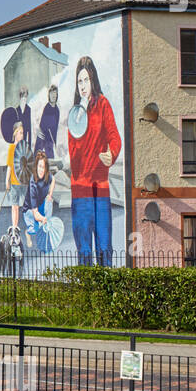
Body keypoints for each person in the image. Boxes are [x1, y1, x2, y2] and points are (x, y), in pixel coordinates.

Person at [66, 56, 121, 265]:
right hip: (80, 189)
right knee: (85, 249)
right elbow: (74, 157)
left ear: (93, 80)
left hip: (101, 187)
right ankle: (87, 290)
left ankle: (106, 290)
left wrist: (112, 153)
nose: (82, 86)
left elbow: (115, 135)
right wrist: (79, 122)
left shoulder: (103, 105)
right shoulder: (74, 114)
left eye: (86, 80)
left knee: (105, 246)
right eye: (79, 81)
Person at [23, 150, 54, 251]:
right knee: (34, 229)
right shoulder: (33, 184)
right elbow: (35, 213)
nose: (41, 169)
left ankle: (45, 230)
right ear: (36, 166)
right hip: (30, 210)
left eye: (44, 167)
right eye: (40, 166)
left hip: (41, 204)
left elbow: (53, 180)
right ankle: (28, 233)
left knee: (49, 202)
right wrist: (42, 218)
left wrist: (50, 194)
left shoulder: (48, 176)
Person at [4, 121, 31, 228]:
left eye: (22, 133)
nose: (22, 135)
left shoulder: (24, 147)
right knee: (15, 206)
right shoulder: (11, 148)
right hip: (15, 182)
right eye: (20, 132)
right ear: (15, 133)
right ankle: (15, 227)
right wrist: (7, 180)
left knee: (28, 205)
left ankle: (30, 225)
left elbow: (28, 163)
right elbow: (10, 165)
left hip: (24, 181)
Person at [35, 85, 60, 159]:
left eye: (55, 93)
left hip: (50, 141)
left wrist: (55, 143)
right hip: (43, 139)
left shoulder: (57, 110)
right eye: (51, 93)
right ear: (49, 95)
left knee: (51, 161)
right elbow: (43, 127)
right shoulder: (47, 108)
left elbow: (55, 128)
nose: (53, 95)